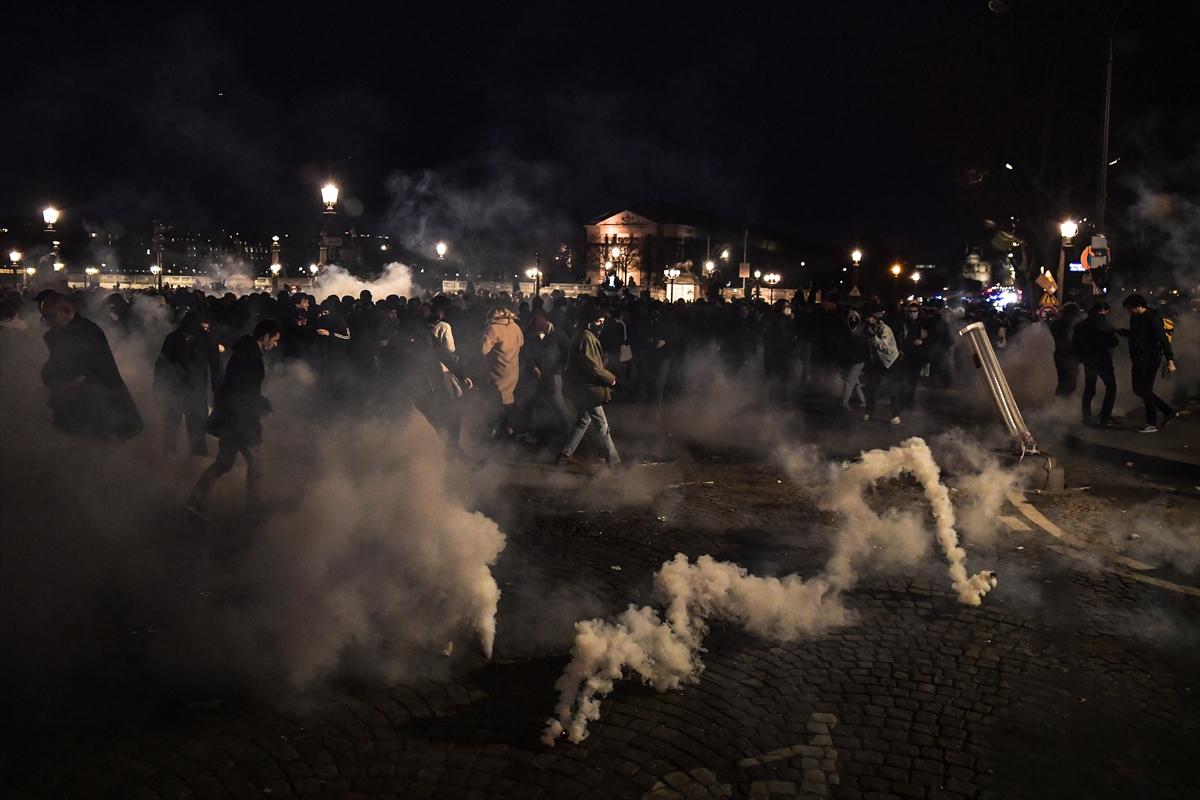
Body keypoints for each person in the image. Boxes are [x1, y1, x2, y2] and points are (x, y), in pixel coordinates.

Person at [185, 319, 282, 519]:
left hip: (232, 418)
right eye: (275, 340)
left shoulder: (244, 351)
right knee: (257, 463)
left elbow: (241, 386)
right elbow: (243, 389)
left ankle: (194, 501)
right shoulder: (250, 356)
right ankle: (254, 507)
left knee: (224, 462)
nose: (275, 344)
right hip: (242, 420)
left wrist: (260, 401)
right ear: (265, 337)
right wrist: (259, 404)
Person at [39, 293, 143, 441]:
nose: (46, 322)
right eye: (44, 317)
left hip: (93, 406)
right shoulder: (61, 333)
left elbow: (84, 370)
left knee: (89, 447)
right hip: (76, 404)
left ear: (67, 312)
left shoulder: (86, 332)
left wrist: (62, 380)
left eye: (50, 316)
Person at [557, 307, 620, 468]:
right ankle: (614, 462)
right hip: (588, 388)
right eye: (598, 321)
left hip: (583, 387)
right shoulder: (586, 337)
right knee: (602, 426)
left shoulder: (583, 334)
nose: (601, 325)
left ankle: (564, 455)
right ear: (589, 322)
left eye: (603, 322)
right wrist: (612, 380)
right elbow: (593, 367)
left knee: (583, 421)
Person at [154, 310, 221, 456]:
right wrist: (218, 394)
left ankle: (167, 465)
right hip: (196, 392)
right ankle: (195, 467)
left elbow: (161, 365)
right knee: (197, 432)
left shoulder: (173, 338)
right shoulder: (208, 339)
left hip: (175, 391)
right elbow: (216, 369)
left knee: (171, 431)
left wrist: (158, 390)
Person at [1117, 294, 1179, 433]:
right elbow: (1136, 334)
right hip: (1139, 359)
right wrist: (1120, 332)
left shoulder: (1152, 318)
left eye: (1129, 308)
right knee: (1138, 389)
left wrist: (1170, 360)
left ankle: (1151, 423)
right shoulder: (1134, 318)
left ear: (1138, 306)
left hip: (1150, 359)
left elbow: (1163, 340)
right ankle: (1168, 411)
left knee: (1145, 390)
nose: (1128, 311)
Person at [480, 305, 525, 438]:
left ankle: (497, 432)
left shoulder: (492, 328)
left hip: (496, 370)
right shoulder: (515, 327)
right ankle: (510, 429)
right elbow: (521, 343)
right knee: (508, 398)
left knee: (494, 401)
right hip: (512, 369)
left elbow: (483, 350)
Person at [1072, 301, 1118, 427]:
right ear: (1103, 310)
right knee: (1111, 387)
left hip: (1089, 360)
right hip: (1103, 359)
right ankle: (1105, 418)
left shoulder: (1080, 325)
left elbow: (1075, 344)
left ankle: (1086, 418)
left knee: (1089, 389)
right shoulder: (1104, 324)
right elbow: (1113, 342)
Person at [862, 311, 902, 425]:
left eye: (871, 318)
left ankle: (896, 415)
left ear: (877, 319)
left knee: (892, 389)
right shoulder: (869, 329)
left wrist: (873, 337)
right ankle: (869, 412)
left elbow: (884, 346)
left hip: (891, 361)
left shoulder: (886, 329)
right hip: (878, 362)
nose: (869, 321)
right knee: (871, 387)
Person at [1049, 302, 1081, 397]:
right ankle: (1060, 403)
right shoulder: (1060, 324)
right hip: (1064, 355)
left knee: (1070, 382)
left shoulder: (1067, 324)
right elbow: (1064, 339)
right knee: (1066, 382)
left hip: (1068, 356)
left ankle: (1063, 402)